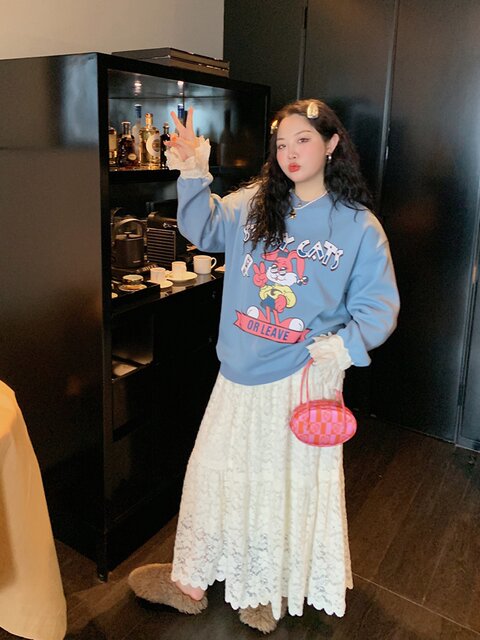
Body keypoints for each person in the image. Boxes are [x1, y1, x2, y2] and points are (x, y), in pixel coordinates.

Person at [128, 98, 400, 633]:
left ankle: (264, 587)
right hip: (238, 370)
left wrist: (344, 346)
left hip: (300, 379)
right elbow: (204, 229)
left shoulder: (358, 226)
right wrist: (192, 171)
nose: (291, 153)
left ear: (332, 144)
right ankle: (191, 579)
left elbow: (379, 307)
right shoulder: (255, 201)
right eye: (281, 144)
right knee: (214, 472)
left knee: (279, 484)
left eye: (304, 139)